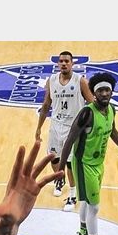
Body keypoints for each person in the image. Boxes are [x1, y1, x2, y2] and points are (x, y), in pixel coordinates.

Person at [59, 72, 118, 235]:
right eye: (100, 90)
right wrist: (60, 169)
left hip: (98, 163)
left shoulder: (111, 110)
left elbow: (113, 131)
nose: (104, 93)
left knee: (87, 202)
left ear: (111, 93)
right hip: (83, 164)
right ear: (94, 94)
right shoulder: (87, 113)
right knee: (94, 207)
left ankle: (83, 234)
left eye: (107, 90)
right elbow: (69, 139)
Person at [35, 50, 94, 212]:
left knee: (70, 163)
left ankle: (73, 196)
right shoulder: (52, 80)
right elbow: (46, 105)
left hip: (73, 128)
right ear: (58, 63)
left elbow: (92, 105)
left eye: (67, 61)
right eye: (61, 61)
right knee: (54, 158)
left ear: (72, 63)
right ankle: (59, 180)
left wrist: (90, 127)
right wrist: (39, 127)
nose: (63, 64)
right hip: (56, 125)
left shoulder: (80, 81)